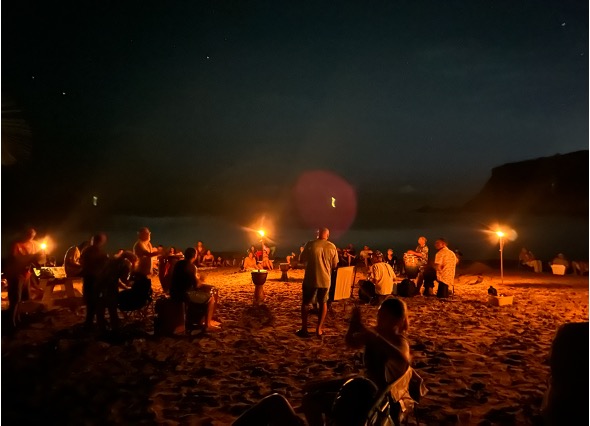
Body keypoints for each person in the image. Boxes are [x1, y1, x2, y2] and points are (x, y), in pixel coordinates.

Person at [302, 298, 411, 425]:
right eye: (379, 315)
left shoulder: (399, 342)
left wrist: (373, 337)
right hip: (364, 390)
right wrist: (353, 326)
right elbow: (352, 342)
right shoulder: (378, 333)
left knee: (311, 400)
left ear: (396, 320)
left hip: (370, 403)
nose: (378, 319)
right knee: (316, 387)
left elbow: (402, 358)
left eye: (383, 316)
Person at [297, 227, 339, 338]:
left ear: (318, 234)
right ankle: (319, 329)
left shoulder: (310, 244)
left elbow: (301, 260)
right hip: (325, 280)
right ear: (328, 235)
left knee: (306, 303)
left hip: (310, 279)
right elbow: (335, 265)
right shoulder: (332, 246)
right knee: (323, 302)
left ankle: (304, 329)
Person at [169, 247, 220, 331]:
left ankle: (197, 319)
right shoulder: (192, 266)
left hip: (173, 292)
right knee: (211, 299)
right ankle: (208, 324)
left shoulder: (178, 264)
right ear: (195, 256)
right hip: (184, 294)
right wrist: (201, 280)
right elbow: (196, 285)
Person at [5, 227, 43, 326]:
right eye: (28, 234)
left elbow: (39, 259)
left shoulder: (35, 244)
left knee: (24, 298)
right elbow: (14, 260)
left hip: (27, 274)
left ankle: (19, 318)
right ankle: (11, 321)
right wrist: (28, 259)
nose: (31, 236)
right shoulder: (17, 245)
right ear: (25, 234)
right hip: (16, 274)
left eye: (32, 234)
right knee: (15, 298)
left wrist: (38, 260)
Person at [95, 251, 137, 333]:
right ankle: (115, 329)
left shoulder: (112, 260)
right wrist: (131, 283)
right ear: (131, 260)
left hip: (98, 286)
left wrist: (124, 287)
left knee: (100, 310)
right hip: (110, 288)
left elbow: (114, 278)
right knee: (112, 309)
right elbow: (123, 279)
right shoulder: (125, 264)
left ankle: (101, 330)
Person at [80, 233, 109, 329]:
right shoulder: (99, 251)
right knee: (97, 300)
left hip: (88, 277)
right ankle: (97, 322)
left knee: (90, 301)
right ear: (100, 241)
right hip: (95, 278)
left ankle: (89, 322)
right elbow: (104, 265)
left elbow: (82, 262)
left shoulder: (86, 250)